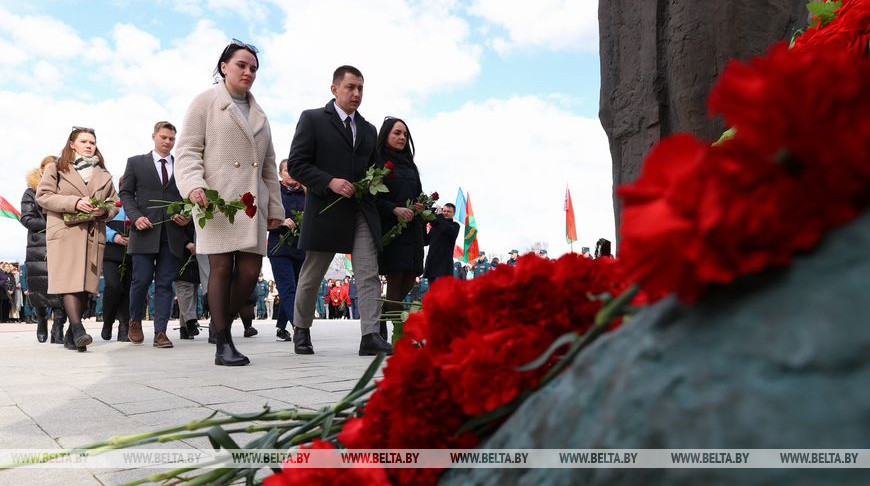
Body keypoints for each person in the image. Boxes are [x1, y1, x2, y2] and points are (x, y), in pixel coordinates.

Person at [175, 39, 283, 366]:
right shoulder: (205, 102)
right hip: (216, 200)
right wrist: (194, 185)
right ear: (224, 66)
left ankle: (221, 323)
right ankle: (223, 341)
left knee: (250, 273)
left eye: (253, 68)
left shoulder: (260, 114)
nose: (248, 72)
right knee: (221, 267)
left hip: (251, 205)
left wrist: (275, 208)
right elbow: (188, 150)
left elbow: (268, 166)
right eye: (242, 65)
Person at [287, 65, 390, 356]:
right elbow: (297, 164)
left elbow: (375, 167)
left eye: (360, 88)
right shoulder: (313, 119)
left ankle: (370, 335)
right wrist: (329, 182)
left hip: (360, 212)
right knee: (312, 274)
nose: (356, 93)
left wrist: (376, 179)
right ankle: (302, 328)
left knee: (368, 273)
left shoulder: (369, 130)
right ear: (334, 89)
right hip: (325, 211)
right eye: (350, 87)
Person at [36, 127, 119, 352]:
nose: (89, 145)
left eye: (92, 141)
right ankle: (79, 328)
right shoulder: (57, 167)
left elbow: (113, 204)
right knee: (69, 282)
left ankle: (72, 336)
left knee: (85, 287)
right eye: (84, 141)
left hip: (93, 235)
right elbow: (43, 196)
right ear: (72, 144)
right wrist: (74, 203)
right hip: (65, 233)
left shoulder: (104, 174)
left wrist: (104, 212)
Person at [120, 121, 191, 349]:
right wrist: (135, 216)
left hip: (172, 233)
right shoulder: (135, 163)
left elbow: (189, 197)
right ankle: (135, 321)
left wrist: (186, 215)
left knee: (164, 284)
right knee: (140, 281)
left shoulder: (182, 166)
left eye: (171, 138)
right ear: (154, 136)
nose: (167, 142)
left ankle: (160, 332)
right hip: (144, 231)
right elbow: (126, 193)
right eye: (163, 137)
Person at [373, 116, 425, 339]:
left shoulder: (411, 165)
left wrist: (420, 206)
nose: (402, 137)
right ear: (385, 135)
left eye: (405, 134)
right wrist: (394, 209)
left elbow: (416, 193)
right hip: (391, 230)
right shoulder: (377, 162)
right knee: (395, 280)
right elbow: (372, 198)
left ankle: (383, 317)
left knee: (409, 278)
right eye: (397, 133)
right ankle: (396, 335)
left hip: (412, 230)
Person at [20, 157, 68, 343]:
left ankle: (58, 326)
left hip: (62, 243)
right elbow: (27, 219)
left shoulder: (64, 191)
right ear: (41, 170)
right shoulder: (31, 192)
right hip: (38, 246)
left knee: (61, 287)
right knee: (39, 286)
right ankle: (41, 319)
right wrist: (53, 224)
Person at [267, 159, 306, 341]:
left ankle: (281, 328)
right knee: (287, 287)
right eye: (286, 170)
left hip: (300, 247)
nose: (290, 173)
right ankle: (298, 327)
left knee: (295, 289)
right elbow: (264, 217)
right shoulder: (274, 192)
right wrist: (280, 222)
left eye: (294, 170)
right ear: (280, 174)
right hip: (279, 246)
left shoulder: (306, 193)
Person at [103, 197, 132, 341]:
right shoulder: (111, 202)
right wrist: (114, 236)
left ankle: (124, 326)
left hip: (132, 253)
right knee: (113, 286)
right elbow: (99, 224)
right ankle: (107, 321)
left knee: (128, 289)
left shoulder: (139, 201)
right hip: (111, 252)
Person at [423, 203, 460, 285]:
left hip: (444, 267)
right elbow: (426, 241)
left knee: (441, 295)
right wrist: (423, 223)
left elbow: (447, 229)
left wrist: (439, 216)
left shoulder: (455, 226)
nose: (445, 213)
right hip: (432, 265)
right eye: (444, 211)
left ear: (453, 213)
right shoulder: (435, 226)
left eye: (449, 211)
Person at [174, 223, 200, 340]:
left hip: (197, 251)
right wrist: (186, 242)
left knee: (193, 289)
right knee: (184, 287)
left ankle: (184, 328)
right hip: (181, 252)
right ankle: (190, 322)